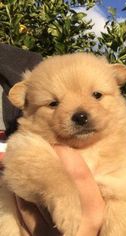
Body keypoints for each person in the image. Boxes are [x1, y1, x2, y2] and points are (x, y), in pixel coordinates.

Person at [0, 44, 105, 236]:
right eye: (54, 103)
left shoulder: (23, 63)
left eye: (96, 95)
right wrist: (58, 190)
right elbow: (19, 161)